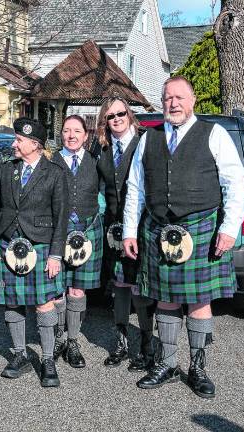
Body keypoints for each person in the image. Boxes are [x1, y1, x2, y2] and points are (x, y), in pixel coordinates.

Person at [123, 76, 244, 398]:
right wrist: (128, 231)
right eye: (167, 98)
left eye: (179, 97)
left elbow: (235, 184)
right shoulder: (148, 139)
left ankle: (198, 367)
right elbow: (135, 189)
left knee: (199, 301)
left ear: (192, 102)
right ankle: (166, 363)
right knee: (165, 298)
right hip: (158, 230)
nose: (173, 103)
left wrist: (228, 228)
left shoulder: (214, 134)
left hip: (201, 227)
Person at [0, 117, 68, 388]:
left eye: (19, 140)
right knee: (13, 302)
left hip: (40, 244)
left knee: (44, 304)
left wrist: (55, 255)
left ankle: (49, 358)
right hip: (7, 244)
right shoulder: (7, 170)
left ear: (35, 144)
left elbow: (61, 217)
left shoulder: (54, 173)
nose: (14, 144)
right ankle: (19, 355)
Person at [96, 97, 155, 372]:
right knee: (119, 285)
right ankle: (121, 344)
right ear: (104, 121)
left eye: (120, 113)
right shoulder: (103, 148)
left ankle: (146, 347)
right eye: (110, 116)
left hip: (140, 226)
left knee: (138, 286)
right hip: (113, 228)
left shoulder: (146, 142)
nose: (116, 119)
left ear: (130, 115)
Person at [50, 115, 103, 368]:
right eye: (67, 131)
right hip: (57, 231)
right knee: (58, 289)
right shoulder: (51, 162)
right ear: (61, 135)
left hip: (87, 230)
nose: (71, 135)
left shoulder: (95, 162)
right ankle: (58, 336)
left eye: (77, 131)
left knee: (77, 289)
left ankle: (72, 341)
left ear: (85, 135)